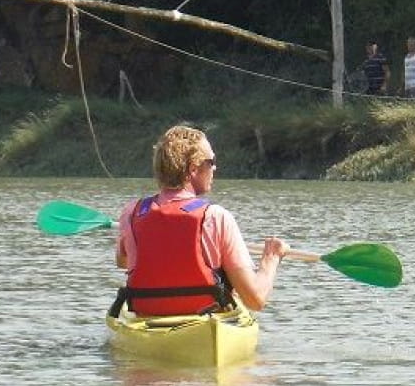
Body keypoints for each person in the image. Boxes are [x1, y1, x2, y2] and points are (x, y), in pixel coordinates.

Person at [114, 123, 288, 316]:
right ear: (193, 168)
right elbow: (255, 299)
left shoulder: (131, 213)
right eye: (211, 161)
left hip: (149, 321)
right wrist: (270, 258)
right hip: (205, 323)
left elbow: (123, 261)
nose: (215, 167)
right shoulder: (216, 217)